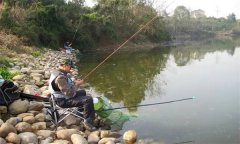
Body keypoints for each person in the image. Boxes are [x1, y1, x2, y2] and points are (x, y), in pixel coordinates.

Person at [48, 59, 96, 131]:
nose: (71, 69)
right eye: (70, 67)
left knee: (83, 92)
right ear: (65, 66)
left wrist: (74, 82)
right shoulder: (60, 78)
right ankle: (87, 122)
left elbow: (66, 81)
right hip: (62, 101)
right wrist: (77, 85)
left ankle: (81, 110)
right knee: (88, 99)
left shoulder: (57, 72)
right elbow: (69, 93)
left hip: (59, 97)